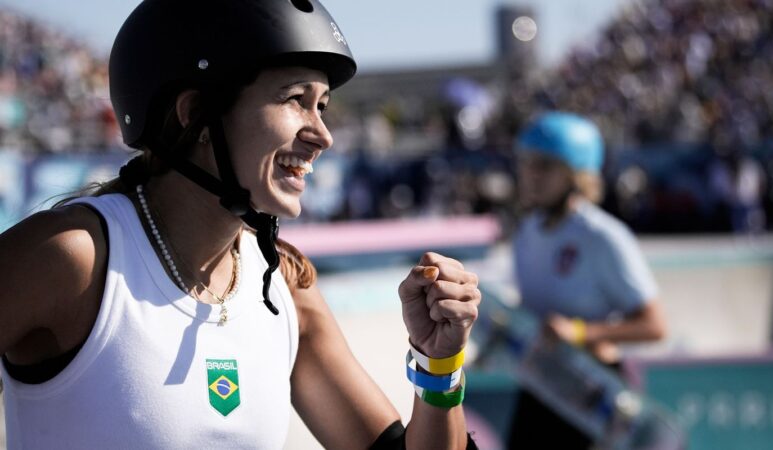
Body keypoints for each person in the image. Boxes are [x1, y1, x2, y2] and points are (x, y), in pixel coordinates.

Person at [0, 1, 481, 448]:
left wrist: (437, 363)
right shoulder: (73, 257)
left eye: (323, 106)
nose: (323, 135)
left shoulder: (286, 288)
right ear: (197, 116)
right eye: (295, 99)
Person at [506, 112, 667, 448]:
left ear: (576, 176)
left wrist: (579, 332)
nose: (531, 174)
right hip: (540, 387)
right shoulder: (526, 233)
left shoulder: (602, 236)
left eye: (545, 165)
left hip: (593, 394)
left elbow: (654, 325)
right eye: (526, 162)